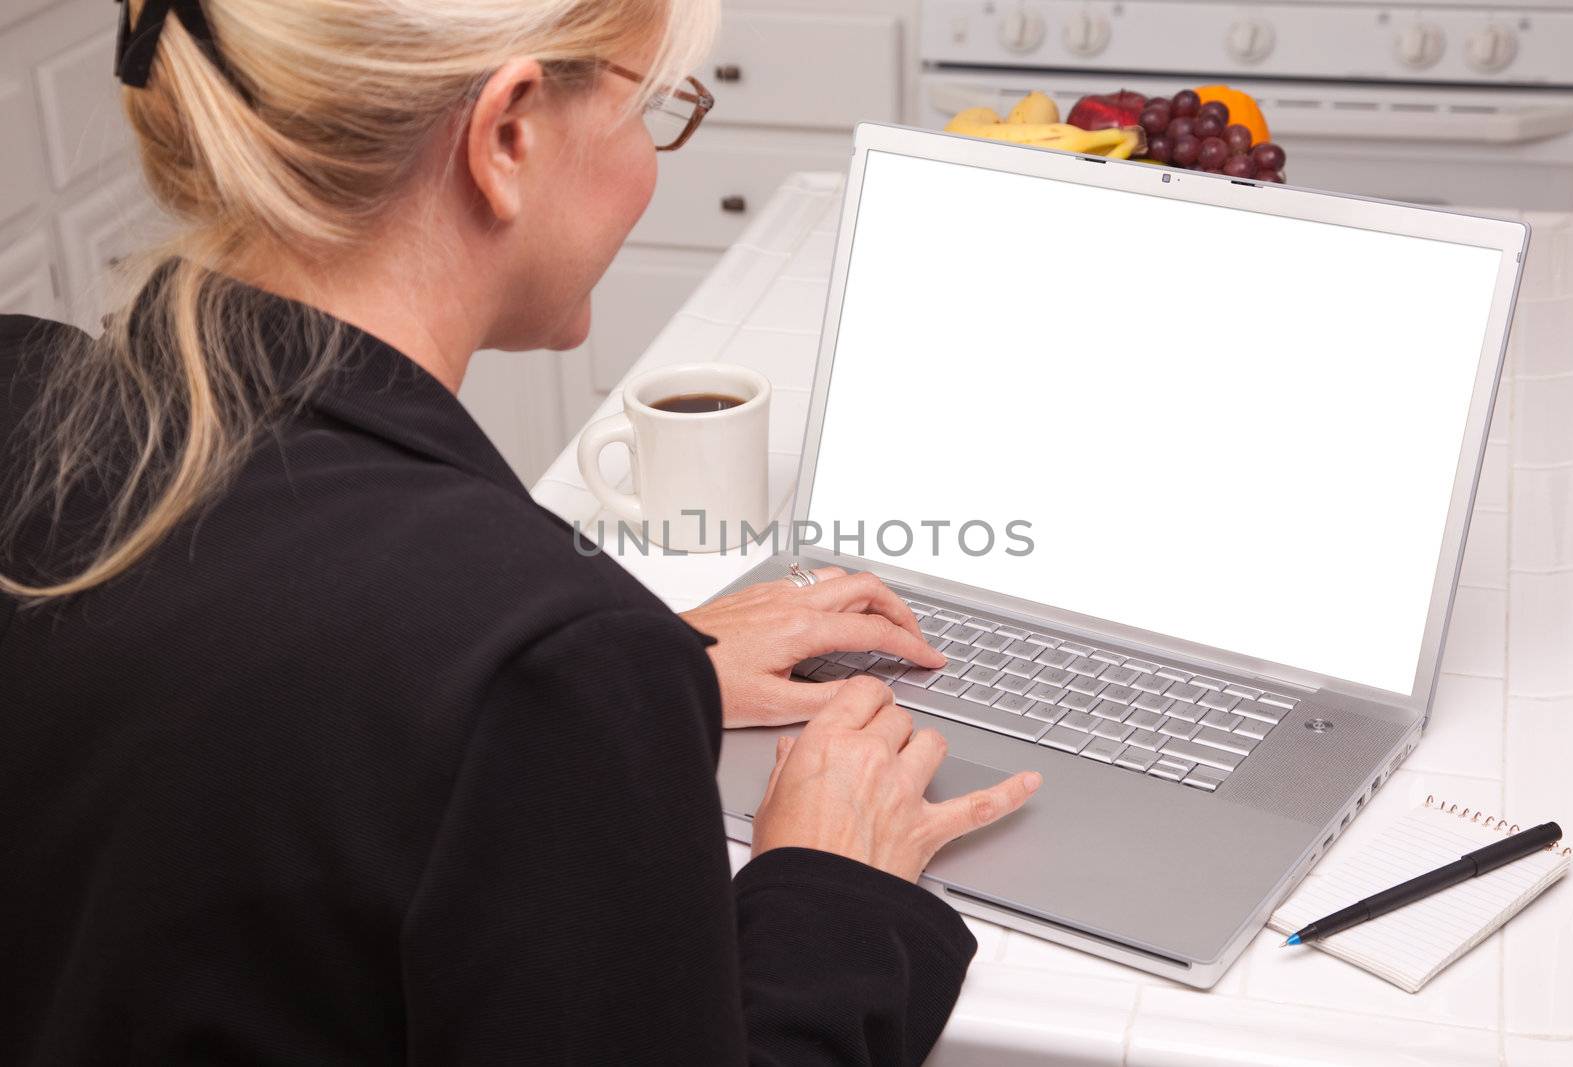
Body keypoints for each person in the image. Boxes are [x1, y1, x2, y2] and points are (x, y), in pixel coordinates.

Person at [0, 1, 1041, 1063]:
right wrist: (835, 885)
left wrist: (613, 680)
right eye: (651, 110)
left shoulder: (21, 388)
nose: (649, 161)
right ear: (507, 135)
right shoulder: (540, 655)